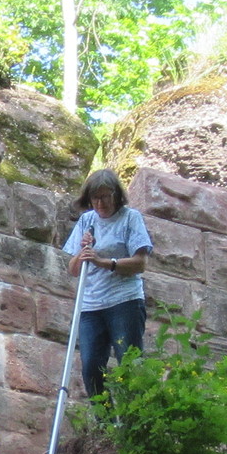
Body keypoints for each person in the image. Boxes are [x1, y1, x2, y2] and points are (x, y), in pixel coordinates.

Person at [64, 167, 152, 397]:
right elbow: (73, 269)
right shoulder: (86, 221)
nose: (100, 203)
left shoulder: (130, 218)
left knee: (129, 363)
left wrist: (103, 262)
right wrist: (82, 252)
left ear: (116, 194)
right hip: (91, 305)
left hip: (124, 301)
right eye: (95, 197)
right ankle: (103, 416)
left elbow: (140, 263)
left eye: (105, 196)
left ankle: (133, 414)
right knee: (91, 367)